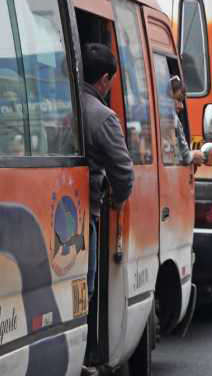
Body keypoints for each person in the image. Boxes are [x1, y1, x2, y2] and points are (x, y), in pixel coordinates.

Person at [81, 43, 134, 297]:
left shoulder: (58, 104)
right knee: (85, 291)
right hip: (84, 213)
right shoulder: (103, 116)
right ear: (104, 79)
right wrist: (116, 199)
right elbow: (123, 171)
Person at [169, 75, 204, 166]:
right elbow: (185, 156)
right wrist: (195, 155)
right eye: (178, 99)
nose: (182, 106)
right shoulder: (172, 119)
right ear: (167, 96)